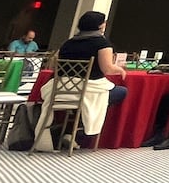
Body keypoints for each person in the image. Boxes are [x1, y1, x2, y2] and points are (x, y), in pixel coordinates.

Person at [43, 10, 128, 147]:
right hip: (87, 90)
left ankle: (71, 128)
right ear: (101, 26)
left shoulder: (68, 43)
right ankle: (80, 132)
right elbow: (107, 69)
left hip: (60, 89)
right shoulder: (102, 44)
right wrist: (119, 69)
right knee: (121, 92)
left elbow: (54, 64)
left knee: (88, 101)